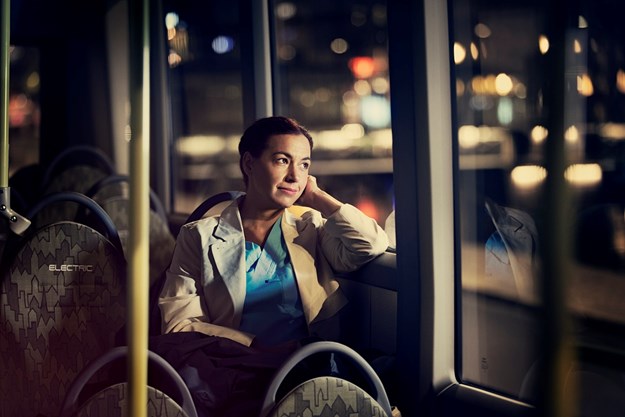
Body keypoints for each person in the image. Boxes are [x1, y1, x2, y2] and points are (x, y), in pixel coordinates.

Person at [154, 116, 389, 416]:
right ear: (249, 164)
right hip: (234, 372)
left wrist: (318, 197)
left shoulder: (310, 228)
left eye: (304, 164)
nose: (295, 176)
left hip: (306, 370)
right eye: (282, 160)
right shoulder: (198, 237)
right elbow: (178, 326)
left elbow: (370, 243)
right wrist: (256, 346)